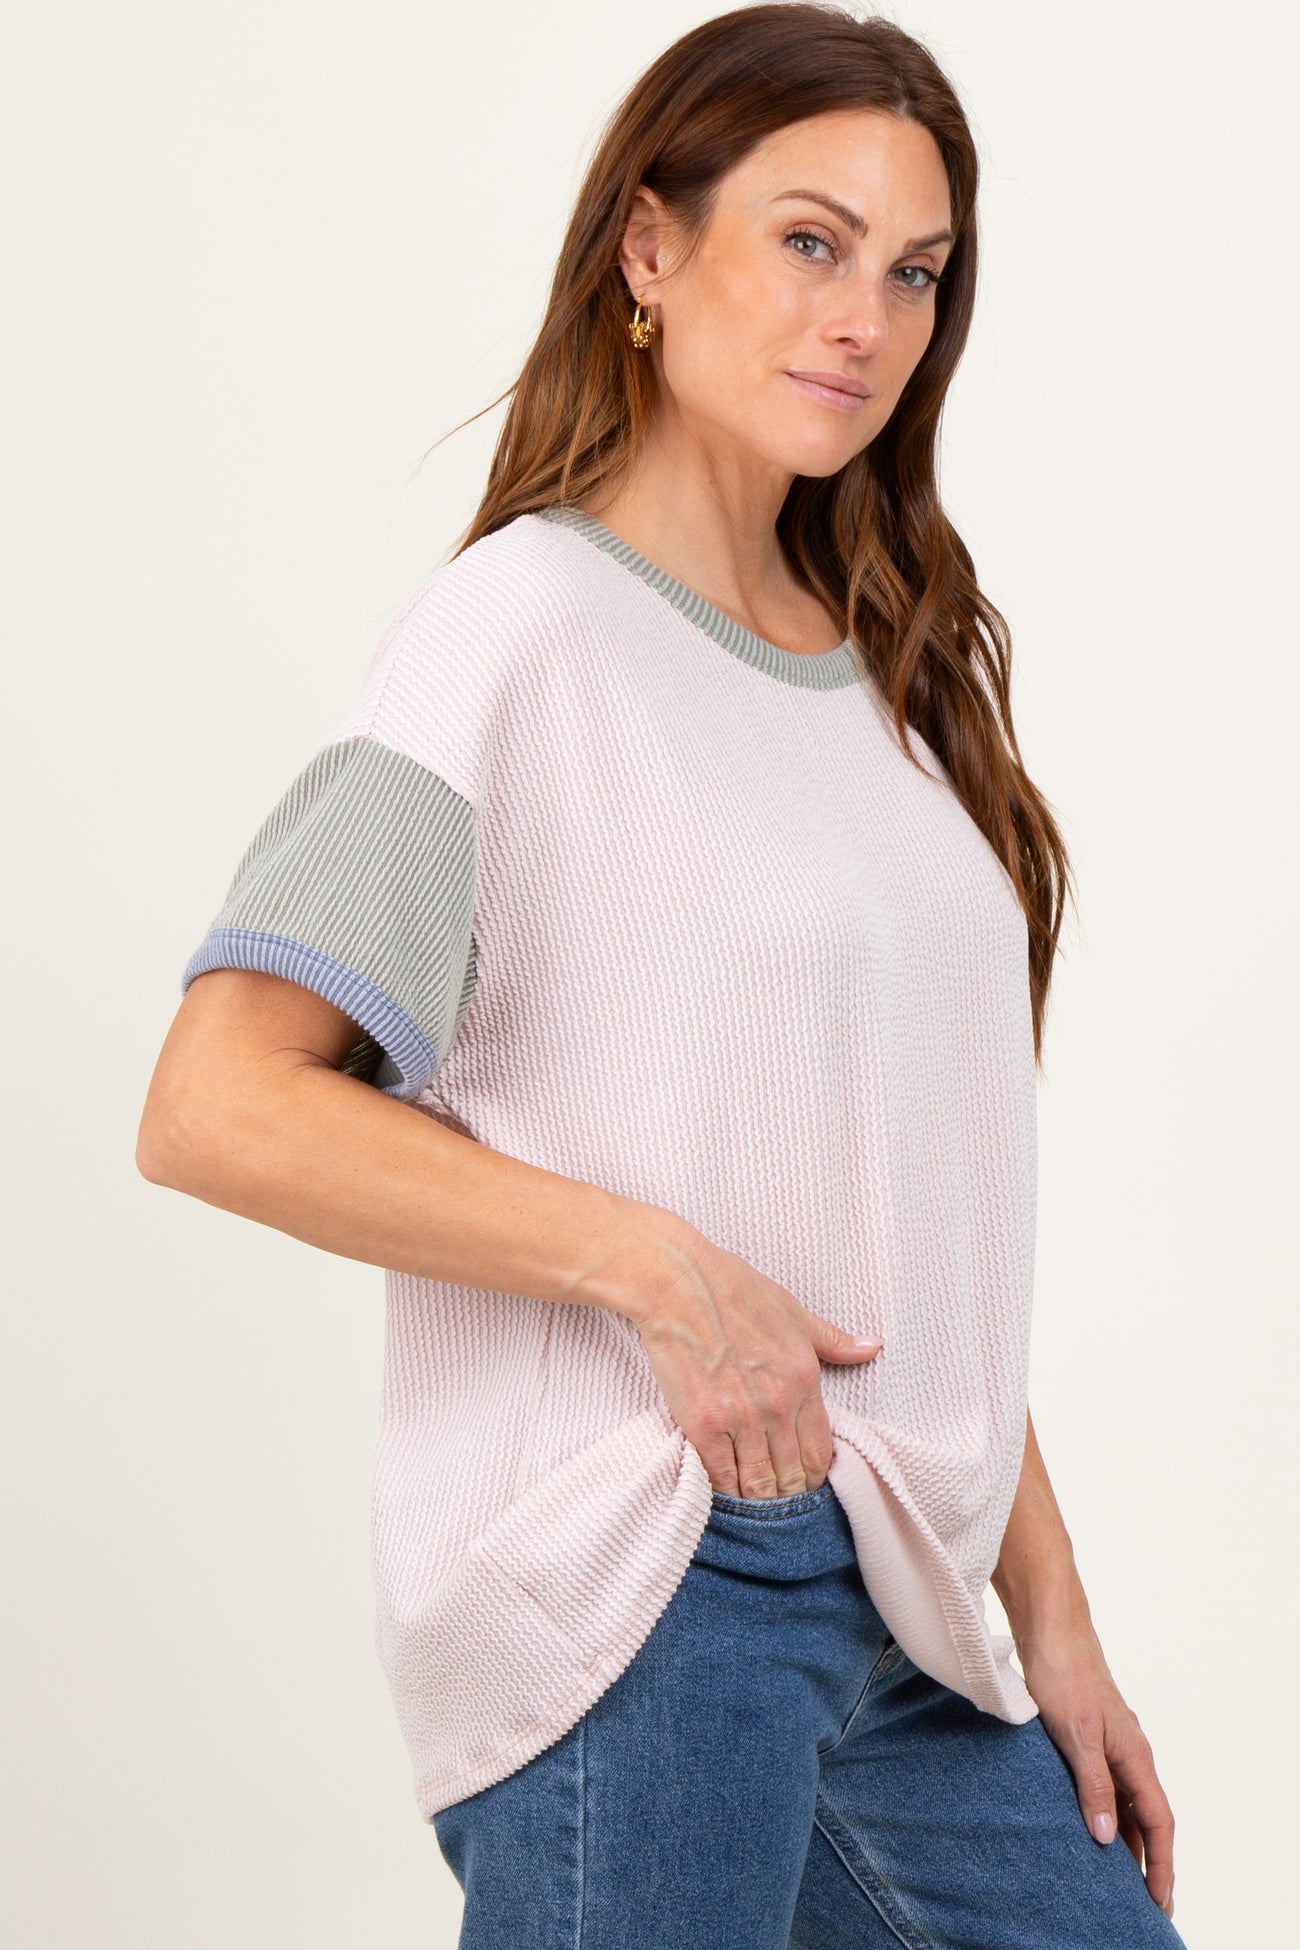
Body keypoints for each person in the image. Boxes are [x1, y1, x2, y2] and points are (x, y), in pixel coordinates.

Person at [136, 5, 1188, 1944]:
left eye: (913, 271)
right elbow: (215, 1101)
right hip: (652, 1586)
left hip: (916, 1613)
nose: (863, 319)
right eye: (808, 242)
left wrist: (1052, 1616)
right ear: (649, 247)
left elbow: (907, 1206)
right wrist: (658, 1270)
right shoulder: (515, 636)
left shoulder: (890, 673)